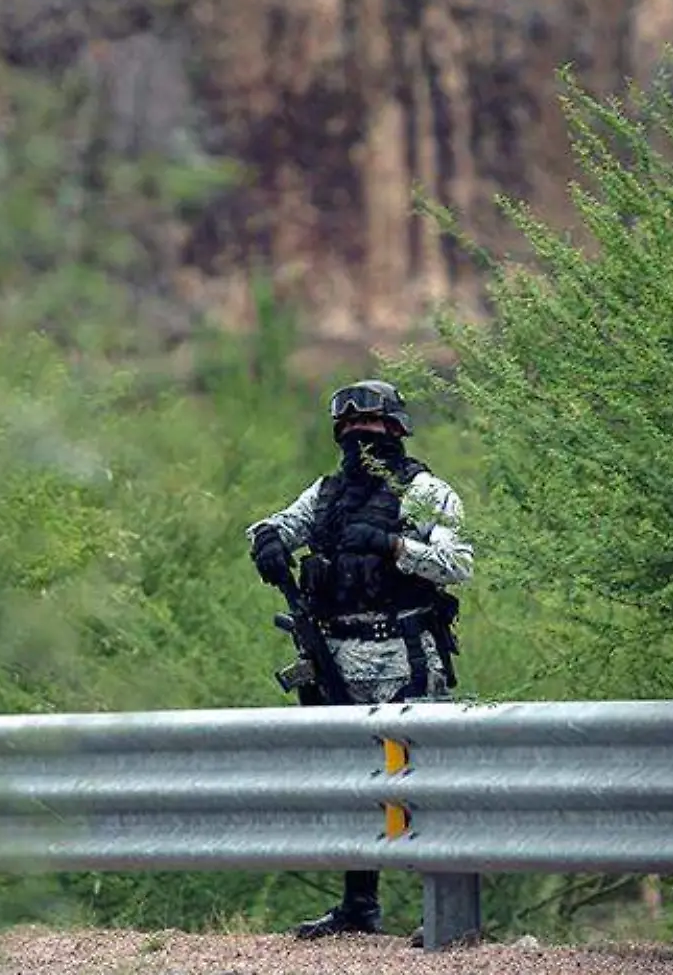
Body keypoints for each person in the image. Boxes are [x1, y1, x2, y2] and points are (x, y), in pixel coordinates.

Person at [245, 378, 474, 942]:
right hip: (337, 660)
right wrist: (267, 539)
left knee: (423, 783)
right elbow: (273, 524)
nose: (359, 438)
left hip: (406, 655)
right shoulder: (324, 495)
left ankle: (441, 911)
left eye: (370, 428)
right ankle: (358, 907)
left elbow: (458, 563)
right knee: (354, 783)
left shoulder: (427, 492)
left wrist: (395, 546)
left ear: (396, 430)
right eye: (348, 429)